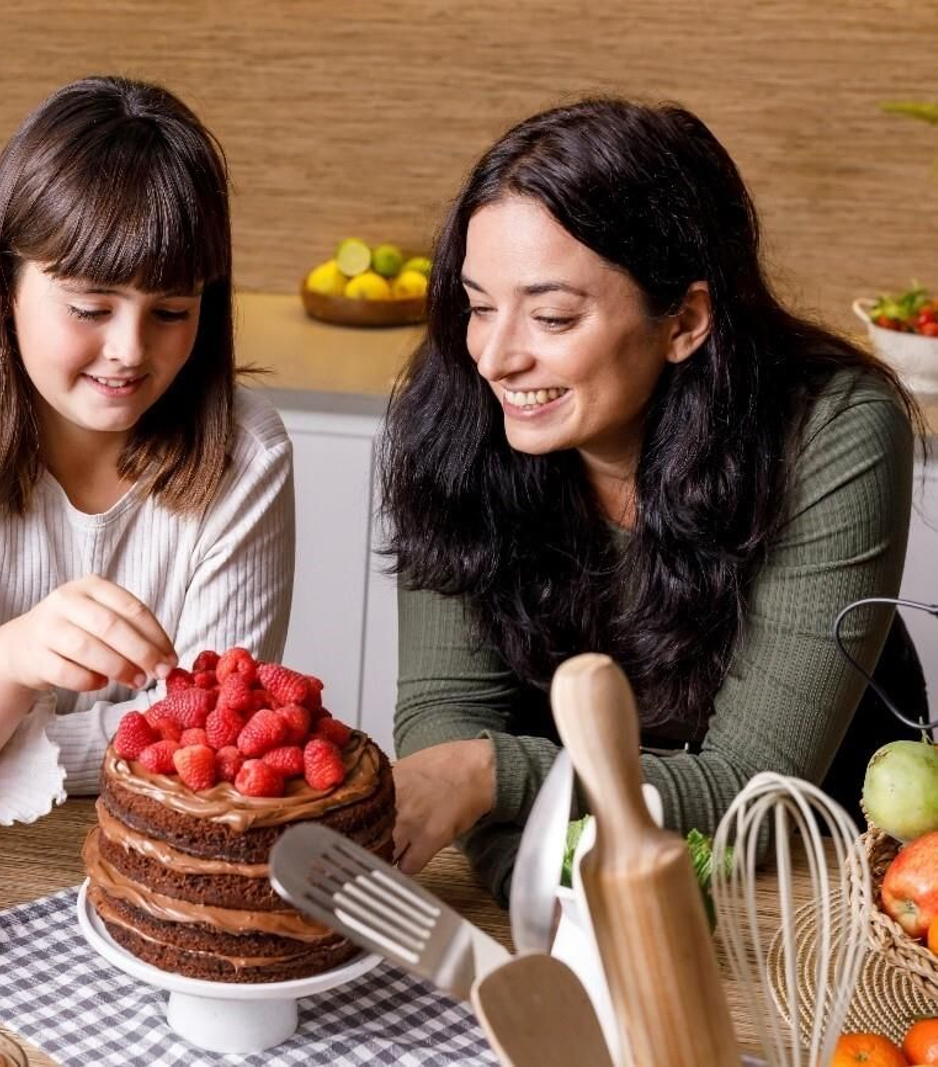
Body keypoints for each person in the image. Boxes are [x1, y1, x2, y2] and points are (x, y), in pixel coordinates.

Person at [380, 97, 925, 901]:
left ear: (685, 321)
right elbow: (445, 716)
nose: (495, 357)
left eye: (553, 315)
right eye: (479, 304)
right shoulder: (455, 409)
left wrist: (492, 778)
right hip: (566, 846)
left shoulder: (835, 427)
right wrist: (533, 884)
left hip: (813, 880)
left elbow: (754, 793)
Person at [0, 76, 295, 823]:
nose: (130, 351)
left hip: (157, 845)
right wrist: (13, 656)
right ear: (7, 283)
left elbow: (215, 737)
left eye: (172, 310)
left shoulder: (245, 453)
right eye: (89, 307)